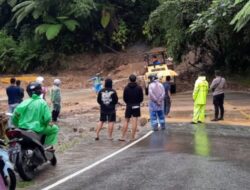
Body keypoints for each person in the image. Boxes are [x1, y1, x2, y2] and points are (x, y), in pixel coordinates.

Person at [12, 82, 59, 148]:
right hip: (36, 128)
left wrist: (17, 125)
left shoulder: (24, 102)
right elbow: (47, 118)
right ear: (40, 91)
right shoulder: (42, 102)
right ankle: (47, 147)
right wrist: (46, 124)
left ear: (28, 93)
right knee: (55, 129)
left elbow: (15, 115)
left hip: (22, 128)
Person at [119, 74, 144, 141]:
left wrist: (128, 103)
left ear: (129, 80)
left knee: (126, 120)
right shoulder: (139, 88)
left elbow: (124, 98)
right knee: (135, 120)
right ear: (135, 79)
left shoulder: (126, 88)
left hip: (129, 105)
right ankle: (132, 137)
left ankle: (122, 137)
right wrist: (138, 102)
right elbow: (141, 98)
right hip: (136, 105)